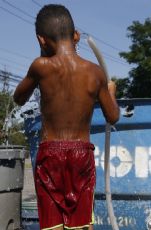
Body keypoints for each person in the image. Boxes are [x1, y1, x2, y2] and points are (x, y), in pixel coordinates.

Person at [13, 4, 119, 230]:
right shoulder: (95, 73)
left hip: (50, 154)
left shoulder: (40, 66)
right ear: (77, 35)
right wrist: (111, 92)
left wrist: (43, 55)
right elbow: (113, 116)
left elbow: (19, 98)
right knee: (81, 225)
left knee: (52, 226)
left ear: (41, 40)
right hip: (82, 154)